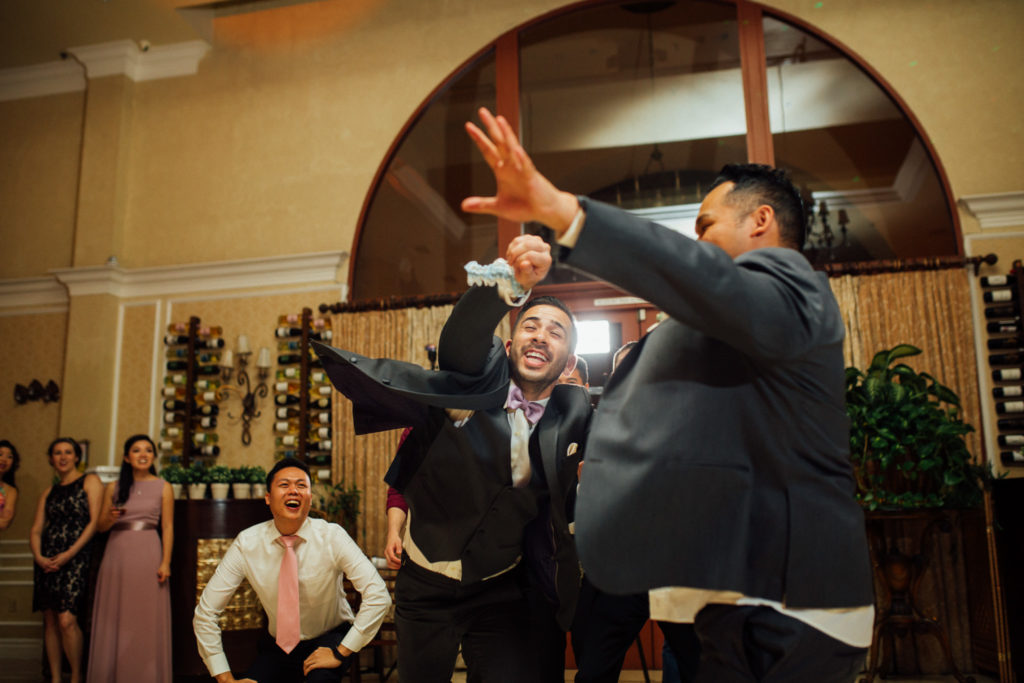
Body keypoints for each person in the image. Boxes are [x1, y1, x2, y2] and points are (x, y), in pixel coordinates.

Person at [461, 108, 874, 682]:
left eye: (705, 226)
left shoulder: (794, 289)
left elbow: (703, 278)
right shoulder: (722, 329)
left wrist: (565, 213)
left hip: (791, 603)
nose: (696, 241)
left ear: (760, 221)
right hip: (727, 600)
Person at [313, 290, 592, 683]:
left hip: (499, 588)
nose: (541, 336)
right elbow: (461, 341)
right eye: (531, 326)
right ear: (508, 346)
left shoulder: (574, 417)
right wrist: (506, 286)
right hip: (424, 584)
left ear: (569, 364)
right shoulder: (469, 384)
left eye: (555, 332)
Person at [194, 457, 390, 683]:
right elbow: (206, 613)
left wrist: (341, 651)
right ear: (268, 498)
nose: (294, 491)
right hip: (277, 646)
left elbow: (378, 596)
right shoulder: (247, 544)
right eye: (284, 485)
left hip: (329, 638)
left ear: (310, 498)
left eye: (301, 485)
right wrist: (226, 679)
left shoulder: (332, 536)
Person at [87, 434, 174, 682]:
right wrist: (110, 517)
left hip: (148, 552)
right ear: (127, 457)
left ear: (154, 456)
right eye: (136, 450)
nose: (143, 454)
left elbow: (168, 527)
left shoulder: (164, 487)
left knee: (145, 615)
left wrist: (165, 561)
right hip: (117, 554)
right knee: (114, 615)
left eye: (148, 450)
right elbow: (100, 527)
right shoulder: (113, 488)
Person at [30, 437, 103, 683]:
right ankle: (55, 678)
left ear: (76, 457)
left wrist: (69, 554)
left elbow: (94, 523)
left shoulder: (90, 481)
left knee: (67, 620)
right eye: (57, 453)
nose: (63, 457)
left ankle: (75, 677)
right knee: (50, 621)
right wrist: (39, 557)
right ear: (51, 459)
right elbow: (36, 529)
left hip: (75, 558)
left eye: (68, 452)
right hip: (47, 559)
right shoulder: (48, 492)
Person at [0, 439, 21, 532]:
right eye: (0, 454)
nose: (4, 459)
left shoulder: (11, 491)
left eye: (9, 457)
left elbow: (4, 523)